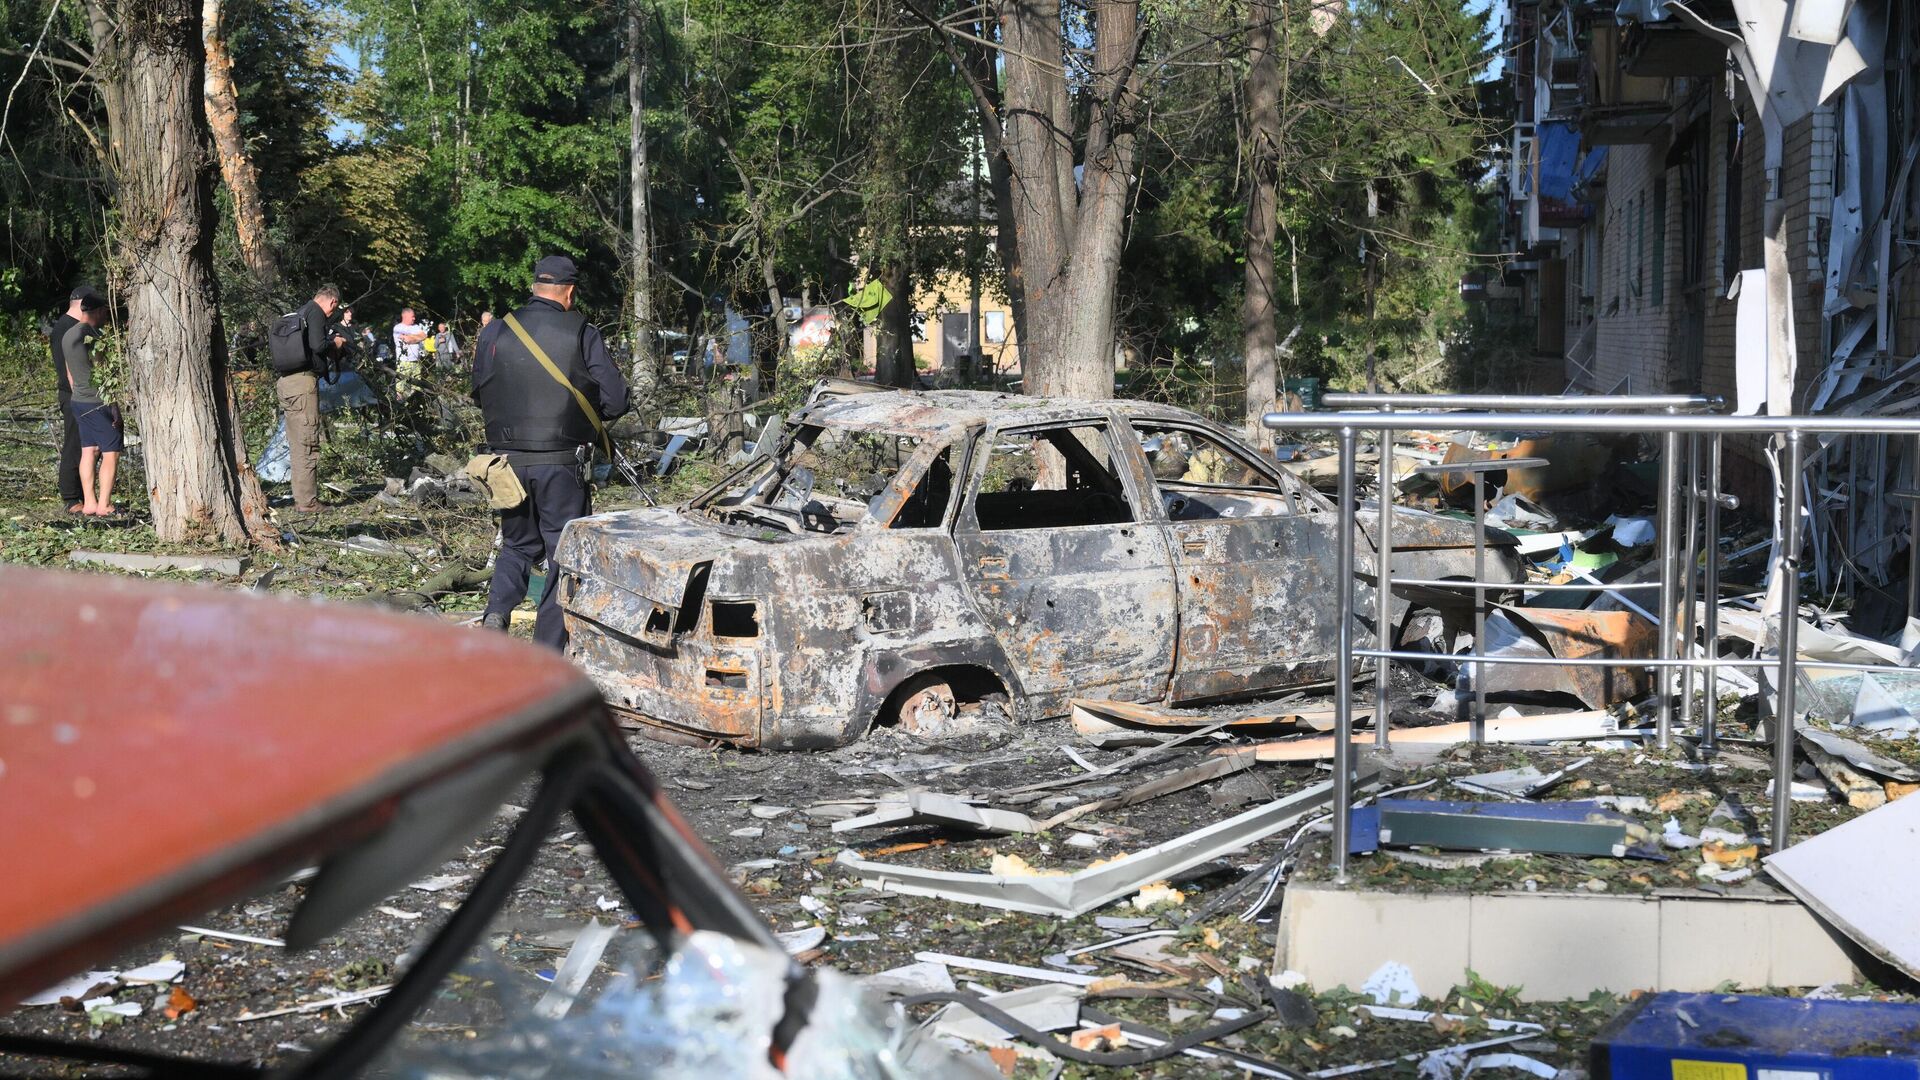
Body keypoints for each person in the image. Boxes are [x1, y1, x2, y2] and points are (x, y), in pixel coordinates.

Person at [472, 255, 629, 649]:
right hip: (562, 463)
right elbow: (617, 401)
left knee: (516, 544)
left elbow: (479, 391)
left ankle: (496, 613)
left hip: (505, 462)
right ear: (571, 292)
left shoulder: (495, 331)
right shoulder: (582, 331)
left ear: (534, 287)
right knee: (564, 554)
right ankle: (546, 650)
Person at [276, 283, 345, 513]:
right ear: (333, 301)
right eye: (333, 309)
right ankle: (307, 502)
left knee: (297, 443)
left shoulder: (300, 311)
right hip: (303, 384)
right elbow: (318, 345)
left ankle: (302, 498)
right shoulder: (315, 311)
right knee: (307, 442)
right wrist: (335, 343)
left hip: (286, 383)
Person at [57, 289, 119, 516]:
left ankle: (90, 503)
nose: (106, 317)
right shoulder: (93, 336)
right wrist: (114, 408)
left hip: (78, 400)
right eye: (105, 312)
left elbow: (69, 373)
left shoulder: (67, 334)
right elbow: (104, 373)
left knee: (88, 450)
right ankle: (104, 504)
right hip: (97, 401)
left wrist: (79, 394)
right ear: (99, 310)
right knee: (111, 452)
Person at [47, 286, 104, 514]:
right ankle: (71, 498)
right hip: (75, 395)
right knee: (76, 445)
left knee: (87, 446)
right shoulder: (66, 329)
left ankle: (84, 497)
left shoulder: (74, 327)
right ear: (82, 303)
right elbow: (69, 370)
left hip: (81, 395)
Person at [393, 307, 429, 398]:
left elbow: (424, 336)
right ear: (405, 316)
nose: (414, 318)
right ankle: (398, 406)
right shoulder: (398, 328)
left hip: (416, 362)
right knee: (400, 387)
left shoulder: (415, 326)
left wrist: (411, 337)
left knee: (417, 388)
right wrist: (416, 337)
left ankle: (414, 406)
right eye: (412, 316)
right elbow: (407, 340)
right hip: (404, 362)